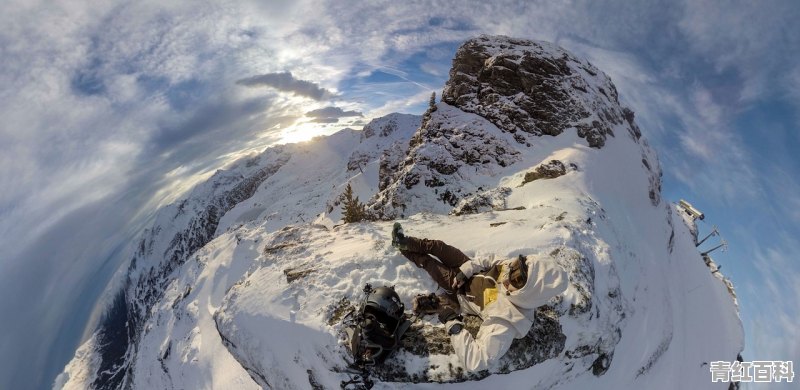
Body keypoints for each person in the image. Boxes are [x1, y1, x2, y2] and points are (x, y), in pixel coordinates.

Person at [391, 222, 568, 371]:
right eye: (515, 267)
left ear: (531, 292)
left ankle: (402, 249)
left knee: (428, 262)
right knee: (437, 246)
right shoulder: (517, 269)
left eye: (517, 279)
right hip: (465, 269)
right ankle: (403, 241)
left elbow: (477, 362)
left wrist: (453, 323)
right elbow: (489, 260)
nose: (508, 275)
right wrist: (465, 271)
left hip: (459, 291)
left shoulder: (508, 318)